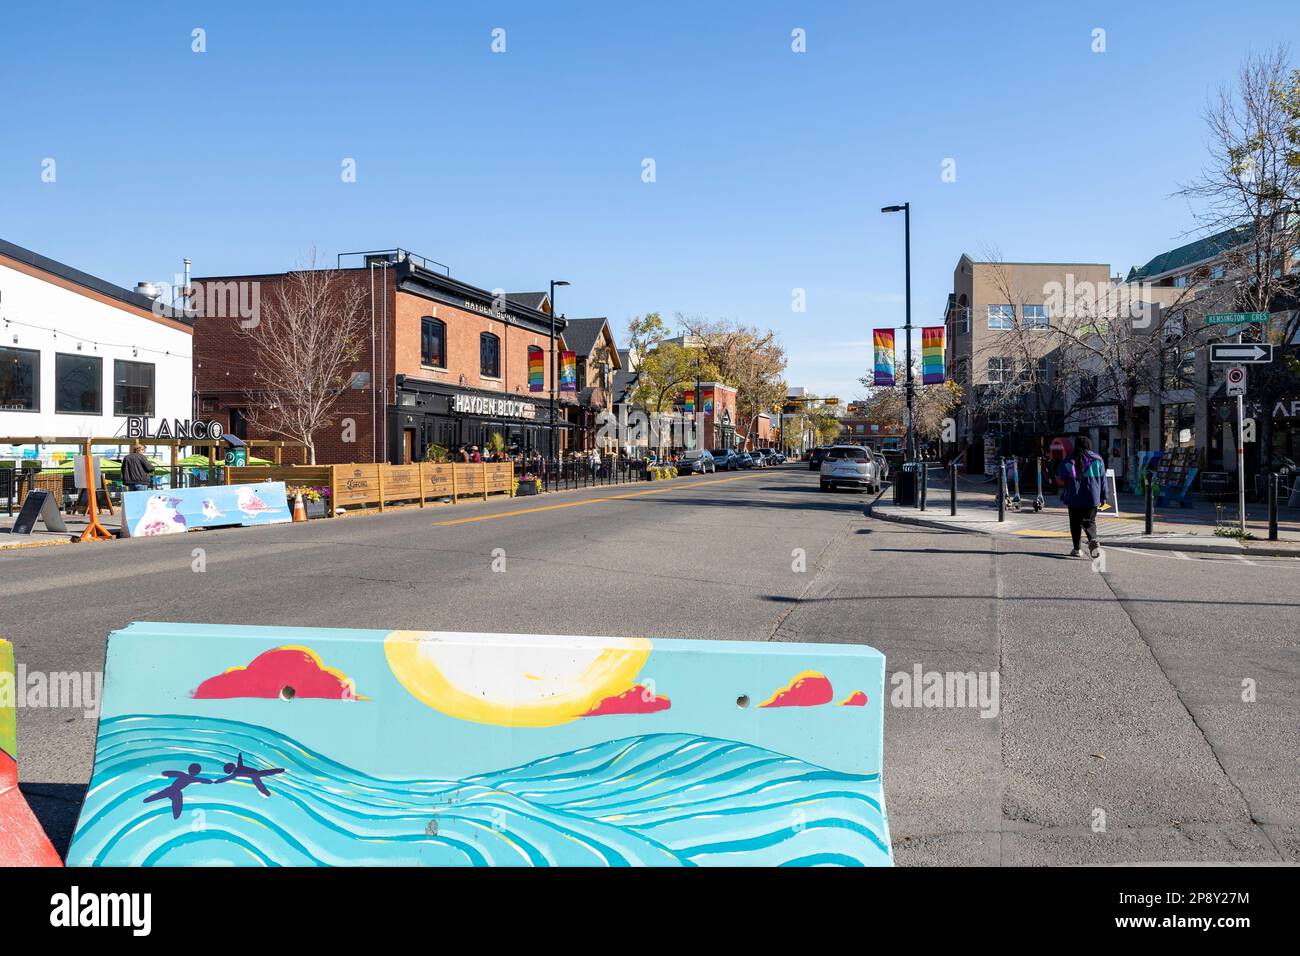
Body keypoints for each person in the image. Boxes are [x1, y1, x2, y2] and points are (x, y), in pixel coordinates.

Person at [1058, 435, 1107, 559]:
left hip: (1074, 498)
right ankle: (1093, 540)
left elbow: (1062, 475)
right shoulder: (1097, 459)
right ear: (1089, 445)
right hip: (1092, 497)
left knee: (1075, 523)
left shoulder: (1070, 460)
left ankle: (1077, 549)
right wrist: (1104, 496)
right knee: (1090, 522)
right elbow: (1103, 480)